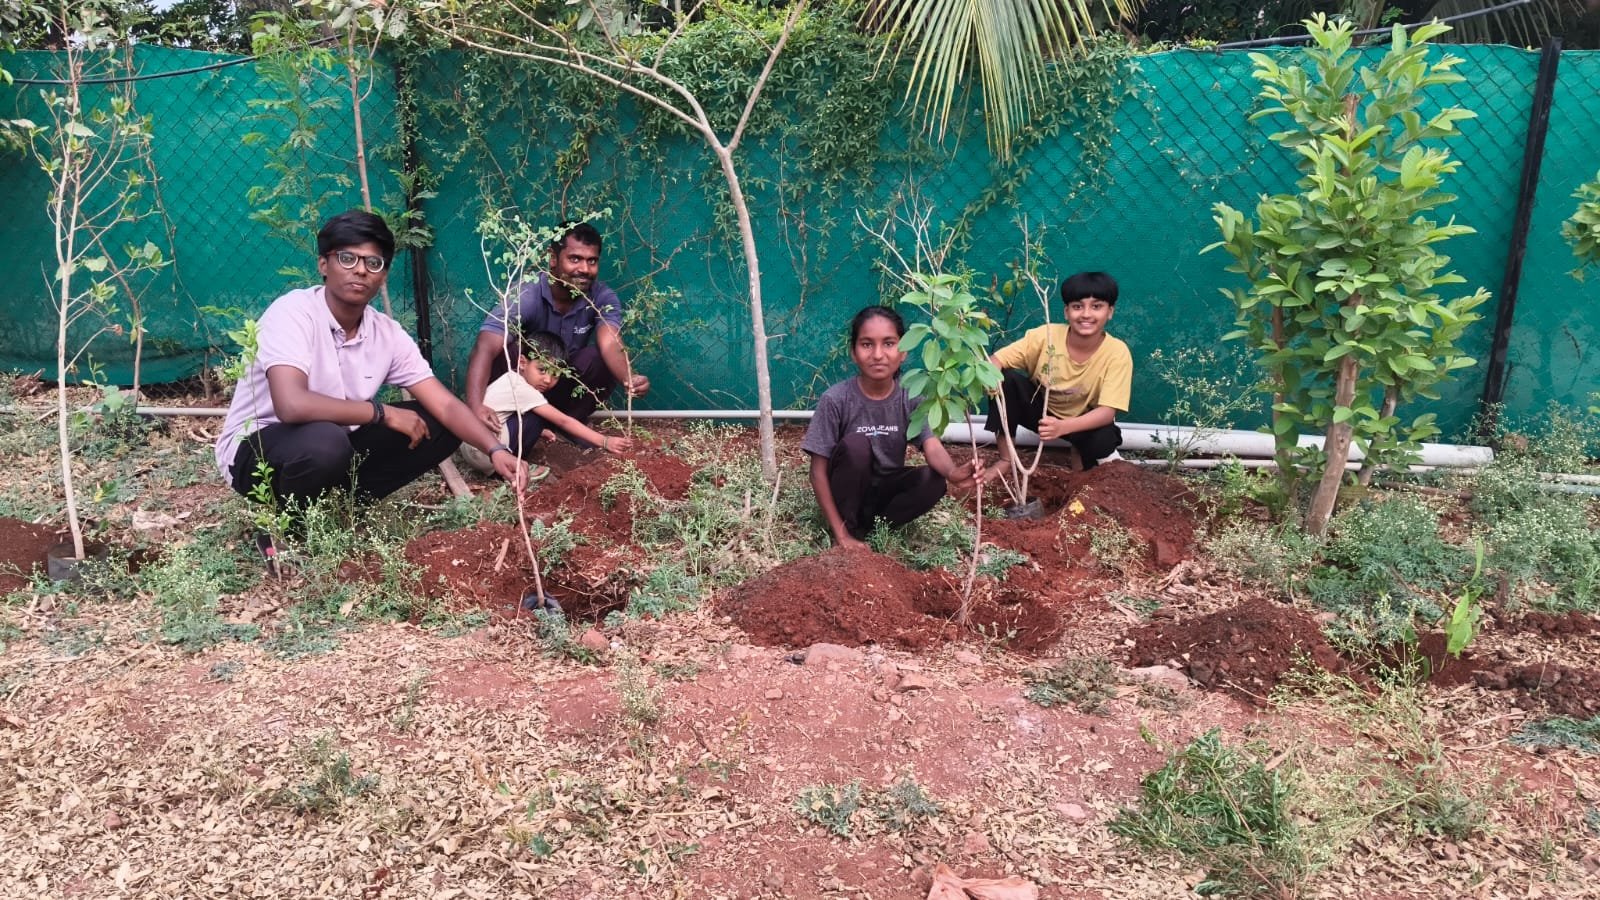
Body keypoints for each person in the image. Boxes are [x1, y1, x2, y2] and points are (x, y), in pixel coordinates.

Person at [215, 210, 529, 522]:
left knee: (439, 423)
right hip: (256, 450)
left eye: (373, 263)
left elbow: (445, 405)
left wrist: (495, 450)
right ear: (323, 265)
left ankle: (342, 508)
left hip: (334, 442)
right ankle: (286, 527)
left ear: (383, 275)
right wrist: (382, 412)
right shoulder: (293, 313)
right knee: (326, 442)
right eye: (347, 258)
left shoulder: (385, 333)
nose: (361, 270)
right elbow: (291, 405)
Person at [802, 306, 981, 551]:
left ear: (903, 351)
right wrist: (841, 534)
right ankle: (849, 530)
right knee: (856, 446)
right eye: (867, 344)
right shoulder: (835, 399)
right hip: (848, 493)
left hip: (886, 491)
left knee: (933, 481)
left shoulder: (911, 397)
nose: (878, 354)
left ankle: (876, 529)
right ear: (853, 352)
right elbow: (817, 472)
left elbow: (931, 444)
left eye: (889, 343)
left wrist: (953, 472)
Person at [464, 221, 650, 454]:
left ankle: (567, 426)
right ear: (553, 258)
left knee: (599, 358)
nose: (584, 268)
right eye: (575, 259)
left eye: (592, 261)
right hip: (521, 390)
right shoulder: (527, 293)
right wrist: (475, 406)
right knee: (507, 349)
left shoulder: (601, 296)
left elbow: (609, 342)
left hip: (560, 382)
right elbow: (485, 346)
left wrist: (629, 377)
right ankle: (517, 424)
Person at [984, 271, 1130, 480]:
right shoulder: (1046, 336)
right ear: (1066, 312)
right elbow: (995, 360)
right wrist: (991, 380)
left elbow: (1107, 412)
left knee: (1104, 438)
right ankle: (1006, 460)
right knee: (1004, 382)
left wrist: (1063, 427)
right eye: (1077, 306)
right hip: (1040, 412)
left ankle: (1080, 466)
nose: (1086, 314)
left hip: (1082, 420)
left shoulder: (1117, 352)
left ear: (1110, 312)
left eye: (1096, 306)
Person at [463, 330, 636, 474]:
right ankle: (516, 467)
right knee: (538, 417)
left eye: (555, 374)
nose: (547, 380)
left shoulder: (510, 378)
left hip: (471, 445)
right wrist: (605, 441)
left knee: (535, 417)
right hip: (485, 455)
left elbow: (505, 415)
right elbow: (563, 421)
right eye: (542, 370)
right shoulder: (523, 389)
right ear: (522, 362)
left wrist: (538, 431)